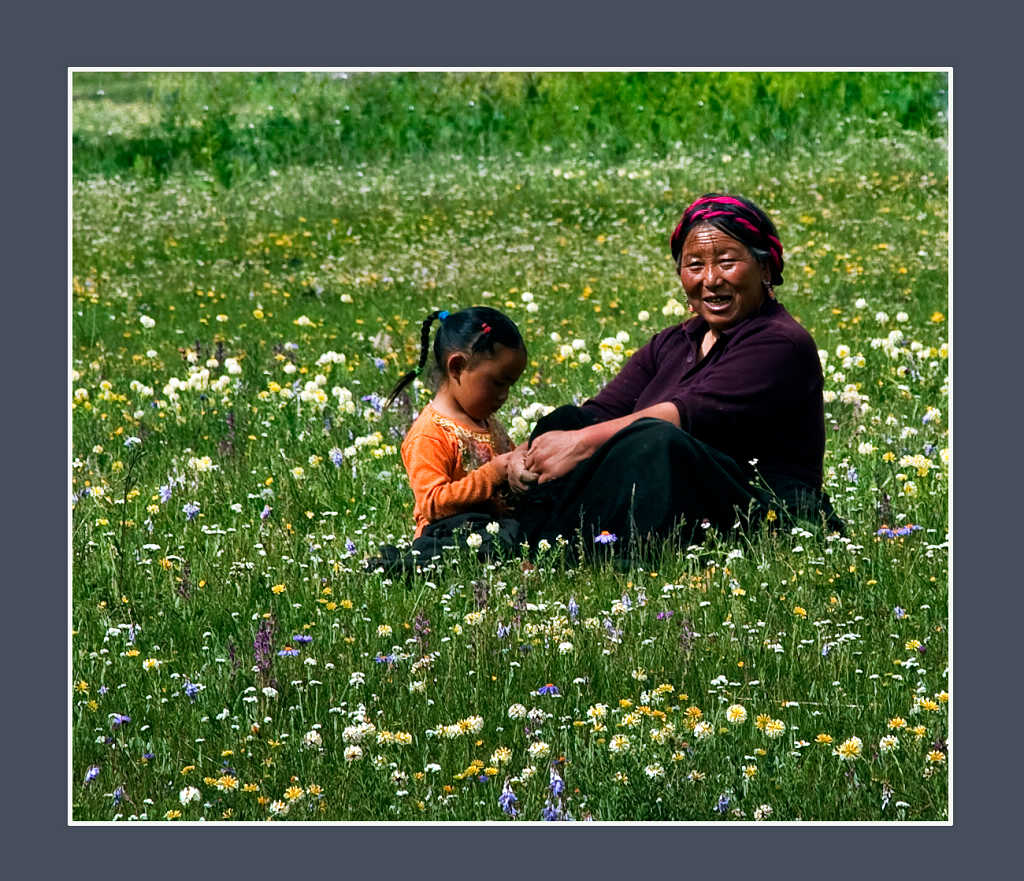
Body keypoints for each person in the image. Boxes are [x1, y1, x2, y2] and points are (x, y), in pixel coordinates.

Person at [508, 192, 842, 557]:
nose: (711, 279)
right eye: (695, 265)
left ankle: (559, 542)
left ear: (765, 269)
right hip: (675, 495)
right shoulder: (674, 341)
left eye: (727, 262)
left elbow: (685, 414)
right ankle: (539, 536)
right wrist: (518, 460)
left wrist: (581, 445)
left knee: (656, 441)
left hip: (763, 512)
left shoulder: (780, 343)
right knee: (568, 420)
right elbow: (600, 411)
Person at [368, 306, 532, 573]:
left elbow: (508, 469)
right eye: (498, 383)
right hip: (449, 532)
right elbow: (432, 504)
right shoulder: (430, 433)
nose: (504, 395)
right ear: (457, 367)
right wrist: (494, 472)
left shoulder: (488, 423)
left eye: (510, 386)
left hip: (494, 527)